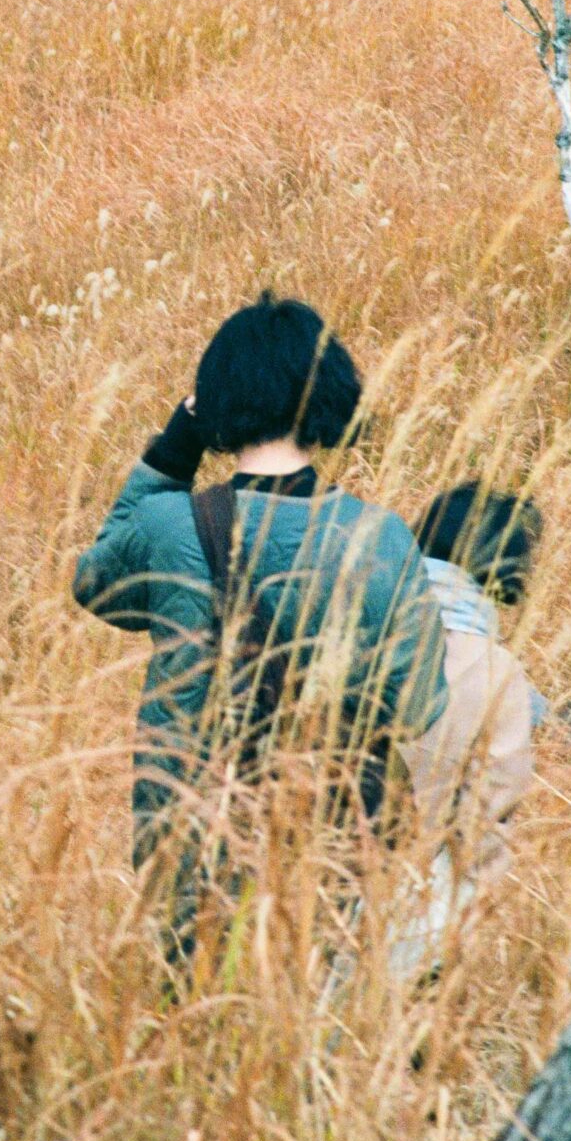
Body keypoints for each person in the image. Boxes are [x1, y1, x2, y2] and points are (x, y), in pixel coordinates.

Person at [73, 294, 447, 959]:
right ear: (332, 399)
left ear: (215, 404)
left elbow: (93, 582)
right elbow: (419, 709)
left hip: (195, 854)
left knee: (202, 1037)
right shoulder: (381, 536)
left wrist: (175, 444)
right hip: (341, 856)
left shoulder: (169, 529)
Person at [389, 482, 546, 979]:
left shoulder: (351, 619)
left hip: (289, 892)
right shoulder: (497, 672)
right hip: (409, 911)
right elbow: (487, 818)